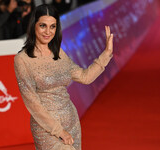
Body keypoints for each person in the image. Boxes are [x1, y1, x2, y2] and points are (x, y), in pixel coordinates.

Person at [14, 4, 113, 150]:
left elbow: (85, 77)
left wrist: (106, 54)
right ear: (33, 25)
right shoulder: (22, 60)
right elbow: (33, 103)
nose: (48, 31)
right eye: (43, 25)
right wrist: (59, 131)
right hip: (46, 128)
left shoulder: (59, 53)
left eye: (52, 26)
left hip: (71, 120)